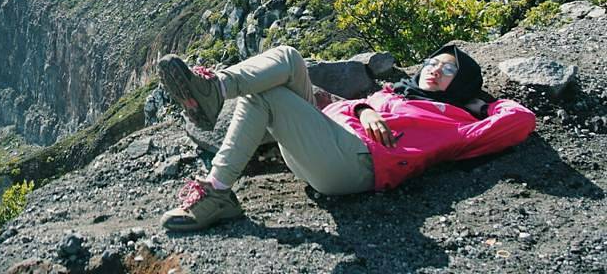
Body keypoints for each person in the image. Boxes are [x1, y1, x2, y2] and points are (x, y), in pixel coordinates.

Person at [157, 44, 536, 231]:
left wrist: (482, 105)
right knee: (289, 56)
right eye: (433, 62)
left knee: (265, 96)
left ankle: (216, 191)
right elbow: (347, 107)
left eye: (449, 70)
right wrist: (364, 108)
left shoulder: (458, 122)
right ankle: (216, 88)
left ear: (464, 84)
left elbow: (520, 121)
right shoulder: (394, 94)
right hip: (326, 143)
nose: (435, 70)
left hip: (353, 165)